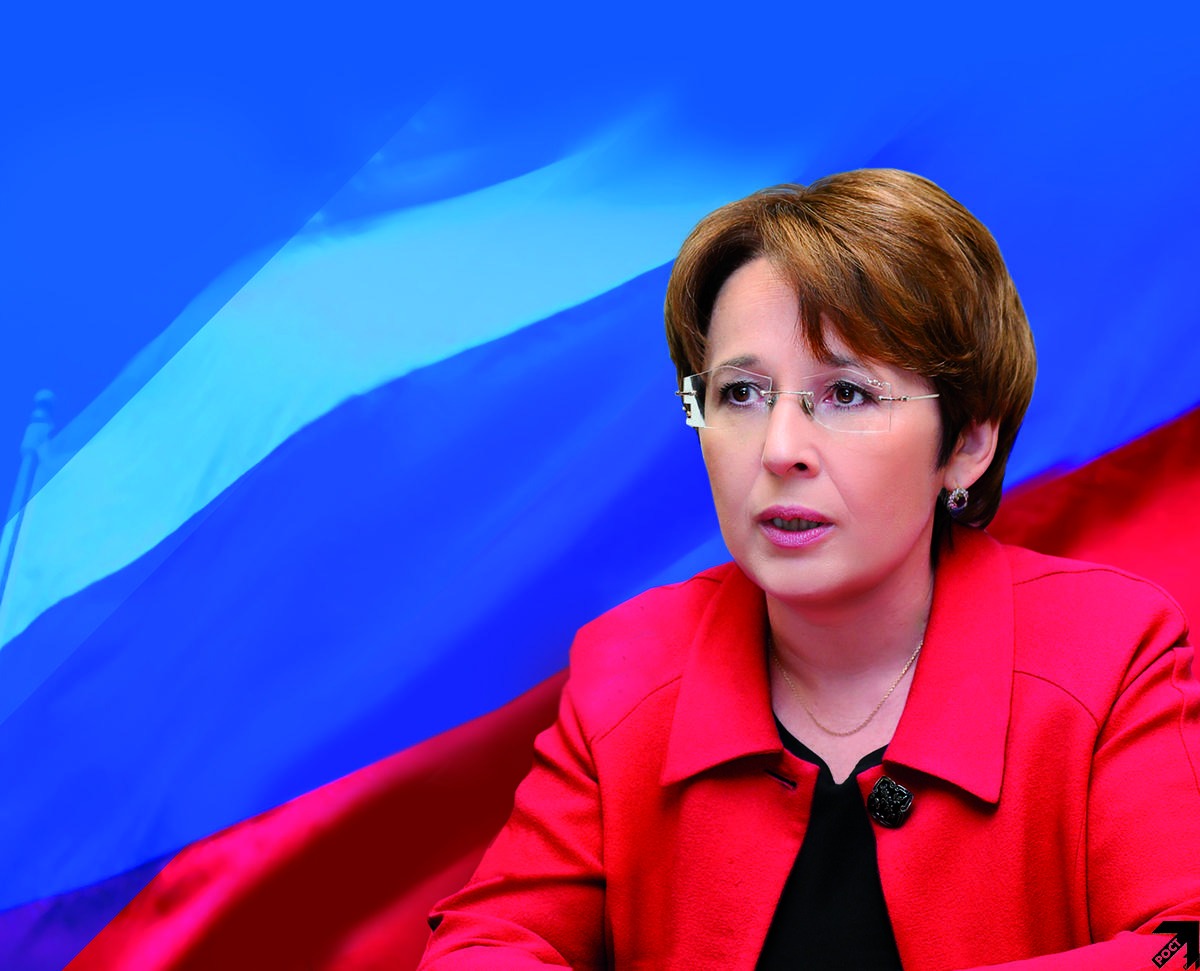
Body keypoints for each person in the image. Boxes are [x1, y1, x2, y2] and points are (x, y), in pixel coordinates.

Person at [417, 170, 1200, 969]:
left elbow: (1182, 942)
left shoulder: (1110, 649)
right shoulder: (630, 665)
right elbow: (487, 945)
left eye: (847, 393)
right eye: (741, 392)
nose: (779, 448)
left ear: (966, 442)